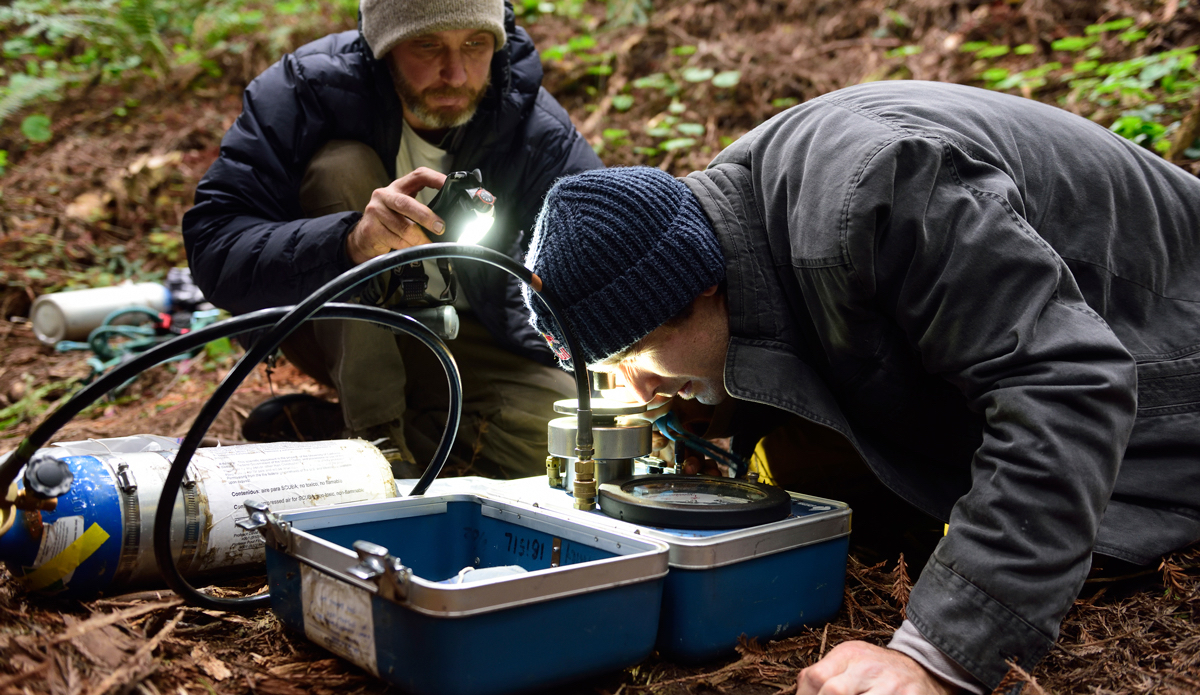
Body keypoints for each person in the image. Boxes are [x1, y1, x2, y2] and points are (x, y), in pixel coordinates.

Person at [522, 80, 1200, 694]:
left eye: (633, 352)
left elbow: (1068, 382)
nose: (638, 385)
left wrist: (937, 654)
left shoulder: (873, 193)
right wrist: (713, 399)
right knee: (800, 466)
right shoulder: (721, 218)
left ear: (697, 285)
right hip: (1093, 340)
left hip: (1170, 348)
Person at [182, 0, 603, 478]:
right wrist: (346, 242)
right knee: (342, 166)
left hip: (466, 334)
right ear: (384, 46)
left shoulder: (527, 121)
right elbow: (214, 249)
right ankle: (377, 440)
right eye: (427, 45)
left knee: (572, 424)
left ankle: (337, 445)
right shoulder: (307, 91)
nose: (456, 72)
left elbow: (602, 251)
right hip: (331, 323)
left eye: (475, 44)